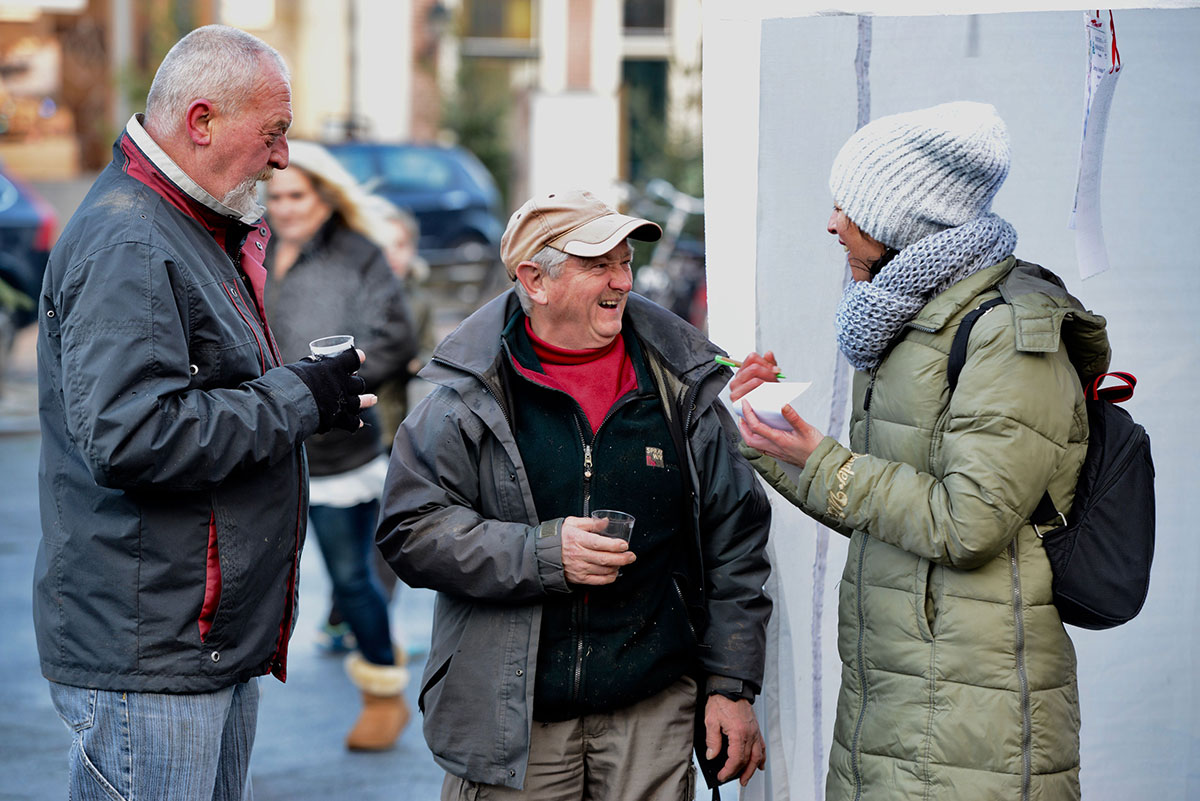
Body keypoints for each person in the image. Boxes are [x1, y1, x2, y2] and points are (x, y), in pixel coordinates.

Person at [33, 25, 376, 801]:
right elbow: (131, 436)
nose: (284, 156)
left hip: (189, 641)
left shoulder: (183, 223)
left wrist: (308, 397)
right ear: (201, 121)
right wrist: (300, 396)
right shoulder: (131, 236)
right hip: (153, 649)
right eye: (275, 132)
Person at [731, 102, 1109, 800]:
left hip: (970, 720)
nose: (831, 222)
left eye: (849, 206)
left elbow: (967, 523)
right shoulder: (915, 319)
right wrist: (767, 437)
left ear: (905, 218)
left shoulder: (1006, 332)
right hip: (897, 700)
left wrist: (823, 460)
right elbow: (884, 504)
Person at [376, 189, 773, 799]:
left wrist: (729, 685)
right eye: (597, 265)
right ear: (534, 279)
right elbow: (410, 531)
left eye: (624, 262)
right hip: (513, 714)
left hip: (651, 708)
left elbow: (735, 541)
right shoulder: (463, 398)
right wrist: (541, 553)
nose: (621, 281)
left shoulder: (682, 388)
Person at [263, 139, 417, 750]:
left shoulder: (359, 254)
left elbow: (395, 337)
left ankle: (384, 692)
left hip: (337, 449)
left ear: (324, 196)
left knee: (351, 579)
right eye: (274, 195)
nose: (283, 207)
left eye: (296, 195)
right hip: (261, 443)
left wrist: (325, 391)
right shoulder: (252, 246)